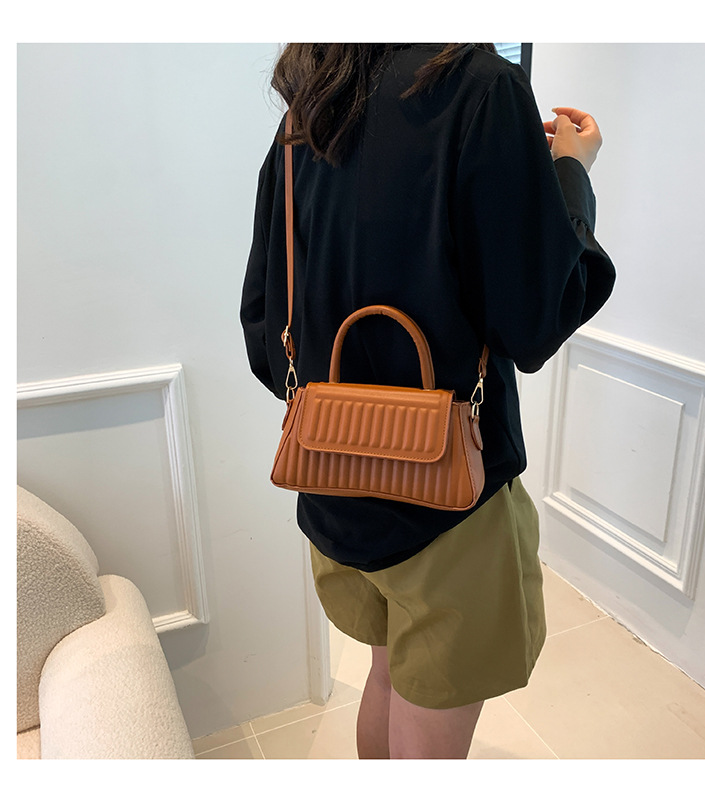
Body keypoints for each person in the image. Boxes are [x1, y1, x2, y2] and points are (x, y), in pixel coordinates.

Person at [240, 43, 615, 759]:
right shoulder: (483, 90)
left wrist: (351, 414)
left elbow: (266, 326)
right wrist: (570, 173)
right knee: (425, 708)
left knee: (384, 675)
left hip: (332, 480)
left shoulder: (308, 108)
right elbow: (534, 319)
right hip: (449, 498)